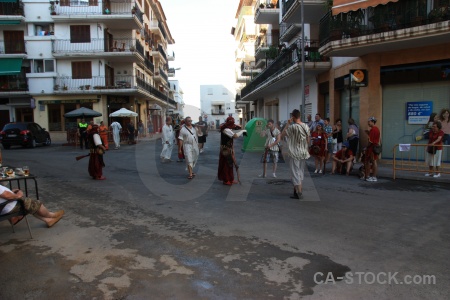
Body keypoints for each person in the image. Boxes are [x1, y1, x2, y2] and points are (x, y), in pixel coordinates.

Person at [281, 109, 310, 200]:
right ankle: (297, 191)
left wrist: (287, 124)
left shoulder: (292, 127)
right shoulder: (306, 126)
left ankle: (299, 192)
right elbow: (308, 140)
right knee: (300, 171)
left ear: (293, 117)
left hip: (294, 152)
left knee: (295, 172)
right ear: (300, 116)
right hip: (303, 152)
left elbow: (282, 134)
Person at [218, 116, 246, 185]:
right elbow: (235, 136)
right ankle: (226, 179)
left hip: (228, 149)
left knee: (230, 164)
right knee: (226, 165)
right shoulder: (226, 130)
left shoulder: (227, 128)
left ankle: (230, 178)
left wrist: (232, 149)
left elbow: (231, 139)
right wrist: (242, 131)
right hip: (225, 149)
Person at [363, 117, 381, 182]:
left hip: (372, 148)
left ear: (372, 122)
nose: (368, 123)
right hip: (374, 147)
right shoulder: (377, 129)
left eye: (369, 121)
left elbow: (370, 141)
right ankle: (373, 176)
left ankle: (370, 176)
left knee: (370, 162)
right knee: (373, 161)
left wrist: (366, 147)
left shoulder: (373, 129)